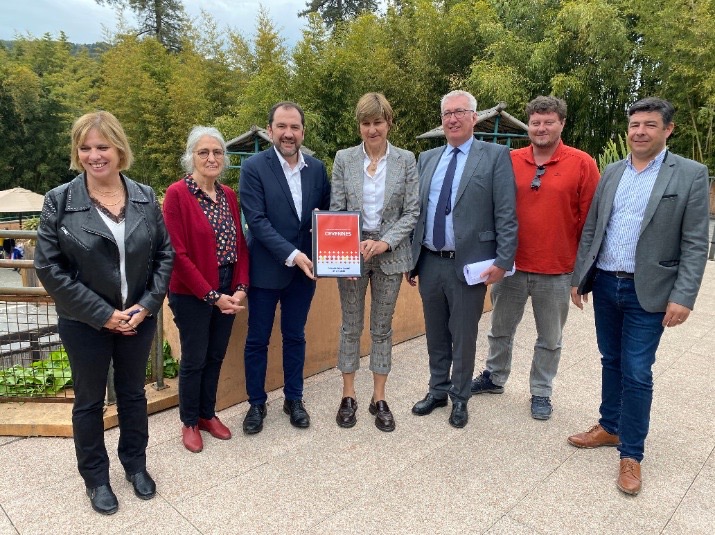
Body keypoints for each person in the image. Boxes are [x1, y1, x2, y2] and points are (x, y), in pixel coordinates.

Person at [568, 97, 710, 496]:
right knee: (610, 360)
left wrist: (684, 295)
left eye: (649, 124)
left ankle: (632, 454)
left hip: (650, 290)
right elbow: (594, 228)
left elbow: (696, 242)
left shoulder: (690, 175)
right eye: (634, 124)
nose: (640, 131)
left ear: (668, 130)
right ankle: (609, 426)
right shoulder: (611, 172)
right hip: (607, 283)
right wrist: (580, 278)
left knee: (636, 370)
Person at [34, 111, 174, 515]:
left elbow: (165, 254)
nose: (95, 155)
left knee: (133, 394)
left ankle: (136, 464)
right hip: (84, 323)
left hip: (137, 319)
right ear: (78, 153)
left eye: (102, 146)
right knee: (90, 401)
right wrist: (103, 313)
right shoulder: (59, 201)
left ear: (119, 150)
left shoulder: (146, 196)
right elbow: (48, 268)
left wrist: (146, 306)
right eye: (86, 147)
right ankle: (95, 477)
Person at [471, 96, 599, 420]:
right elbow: (489, 210)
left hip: (557, 271)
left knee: (550, 338)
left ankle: (541, 391)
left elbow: (591, 224)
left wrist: (581, 276)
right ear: (529, 124)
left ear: (562, 124)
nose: (541, 128)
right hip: (510, 266)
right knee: (499, 328)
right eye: (536, 122)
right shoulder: (509, 159)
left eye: (548, 122)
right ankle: (494, 376)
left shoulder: (582, 163)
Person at [408, 90, 518, 428]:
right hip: (429, 261)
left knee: (464, 333)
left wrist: (503, 259)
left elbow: (506, 212)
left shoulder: (496, 155)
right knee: (436, 332)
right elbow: (416, 212)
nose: (452, 119)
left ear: (474, 117)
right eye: (446, 114)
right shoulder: (427, 159)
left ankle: (460, 397)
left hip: (470, 264)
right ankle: (437, 390)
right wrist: (411, 260)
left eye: (459, 112)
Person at [239, 101, 331, 434]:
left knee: (295, 337)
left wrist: (337, 257)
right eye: (282, 126)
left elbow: (327, 219)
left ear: (302, 132)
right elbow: (257, 222)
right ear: (270, 130)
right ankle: (256, 403)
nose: (288, 134)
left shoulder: (318, 169)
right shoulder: (253, 167)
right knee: (257, 340)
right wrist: (292, 253)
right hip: (265, 270)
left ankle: (294, 398)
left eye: (294, 127)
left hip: (304, 273)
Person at [330, 93, 419, 432]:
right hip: (351, 254)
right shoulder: (343, 159)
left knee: (382, 328)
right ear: (360, 126)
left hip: (390, 255)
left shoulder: (406, 160)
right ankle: (348, 395)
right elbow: (337, 210)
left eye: (377, 122)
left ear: (388, 123)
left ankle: (378, 398)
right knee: (350, 325)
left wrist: (384, 242)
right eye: (366, 123)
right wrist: (347, 253)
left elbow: (412, 211)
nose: (372, 129)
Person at [163, 126, 249, 453]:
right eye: (204, 152)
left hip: (227, 286)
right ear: (192, 157)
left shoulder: (228, 194)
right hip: (191, 292)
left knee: (215, 355)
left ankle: (207, 414)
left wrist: (240, 287)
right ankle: (189, 421)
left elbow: (240, 244)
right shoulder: (177, 194)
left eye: (217, 152)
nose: (211, 158)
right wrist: (212, 297)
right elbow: (177, 254)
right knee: (195, 358)